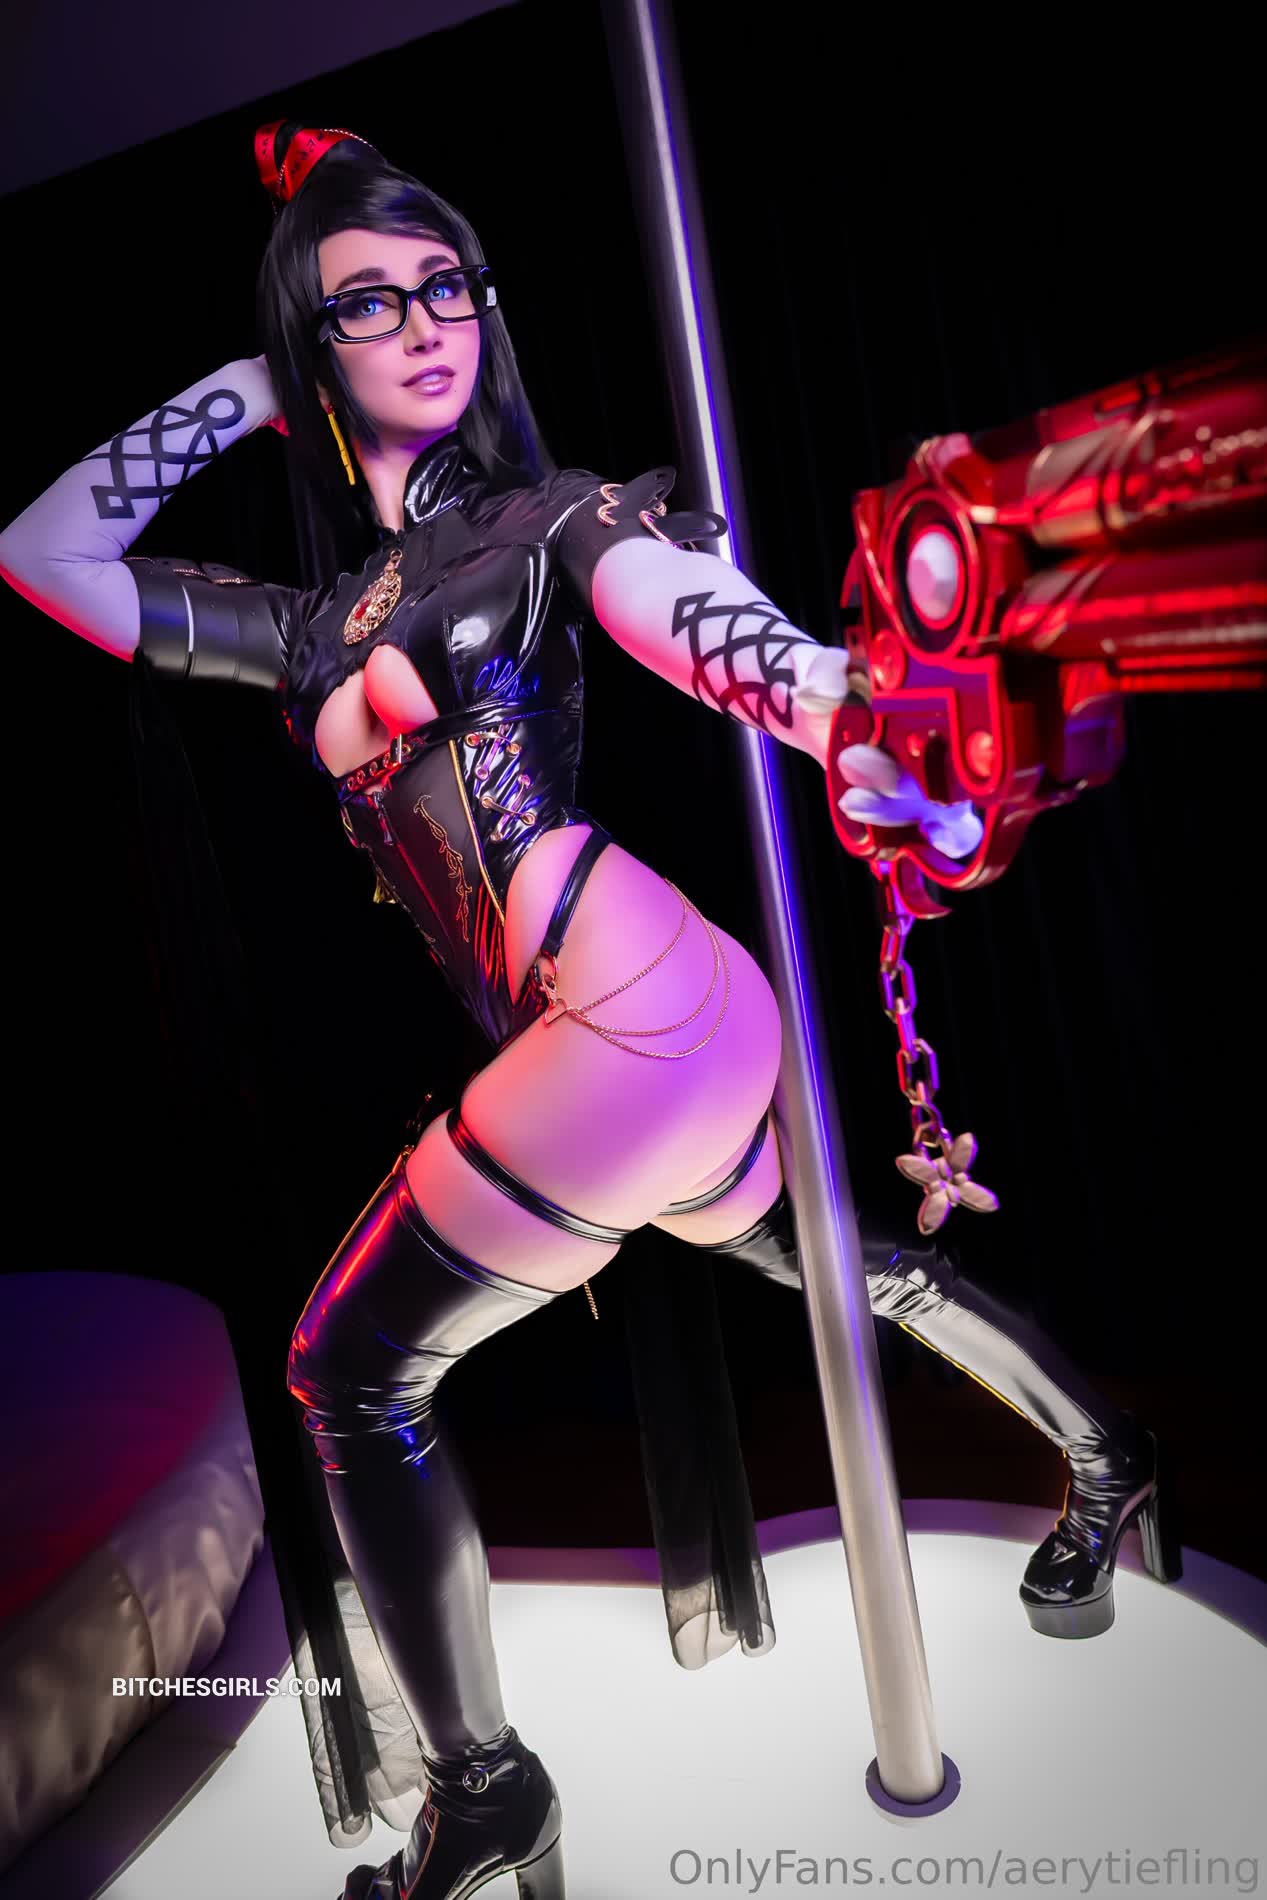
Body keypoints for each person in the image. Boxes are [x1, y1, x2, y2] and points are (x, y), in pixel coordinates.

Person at [0, 121, 1181, 1900]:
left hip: (630, 1016)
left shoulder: (543, 520)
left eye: (447, 286)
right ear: (311, 343)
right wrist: (247, 387)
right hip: (635, 1044)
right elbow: (42, 554)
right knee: (844, 1263)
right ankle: (1113, 1455)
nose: (425, 322)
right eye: (367, 303)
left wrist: (849, 709)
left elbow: (698, 619)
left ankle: (486, 1795)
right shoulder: (304, 630)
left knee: (348, 1372)